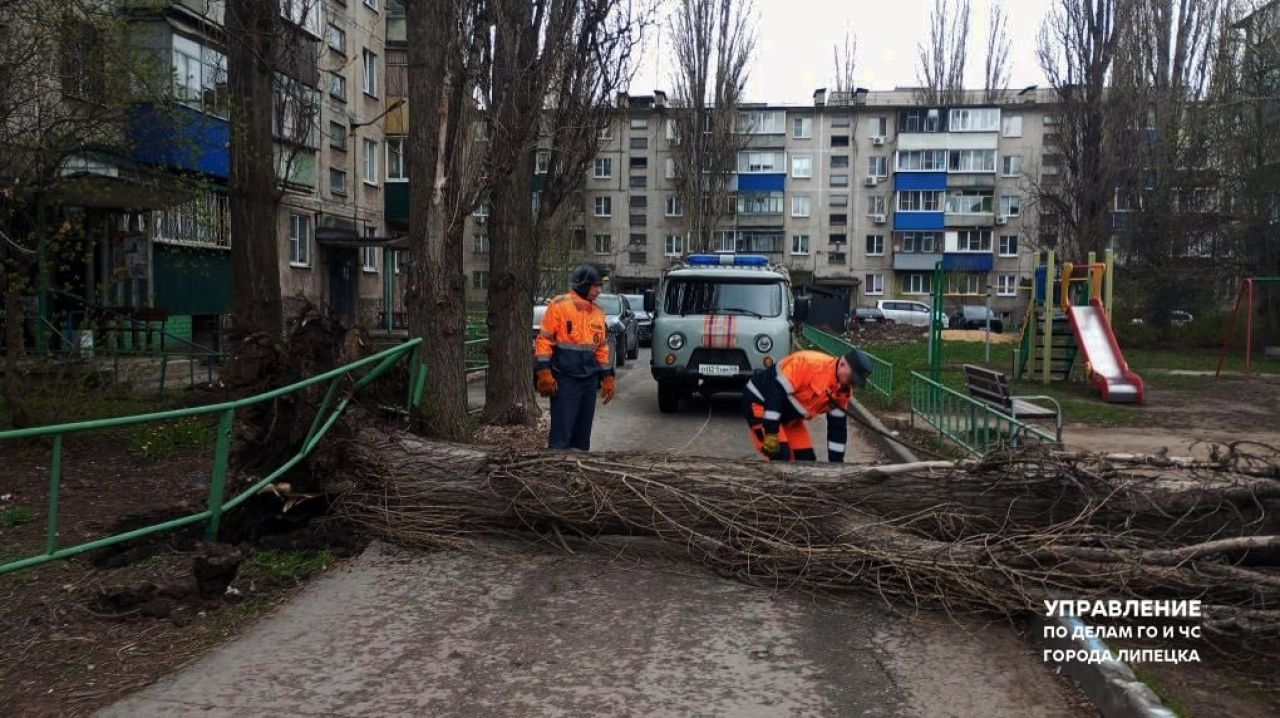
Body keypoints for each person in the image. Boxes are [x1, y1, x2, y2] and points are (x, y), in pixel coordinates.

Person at [534, 264, 617, 451]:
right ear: (583, 284)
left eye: (600, 286)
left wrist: (607, 377)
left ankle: (578, 470)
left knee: (582, 434)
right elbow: (544, 341)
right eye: (595, 285)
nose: (598, 290)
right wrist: (544, 372)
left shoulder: (597, 313)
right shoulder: (559, 306)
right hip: (564, 380)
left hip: (588, 381)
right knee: (562, 434)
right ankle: (557, 470)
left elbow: (601, 348)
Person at [742, 348, 873, 462]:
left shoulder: (842, 393)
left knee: (806, 460)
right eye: (852, 378)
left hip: (788, 417)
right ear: (843, 364)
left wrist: (836, 466)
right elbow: (775, 393)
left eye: (855, 381)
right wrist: (771, 432)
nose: (852, 384)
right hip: (761, 403)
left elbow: (837, 429)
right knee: (780, 457)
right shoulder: (807, 363)